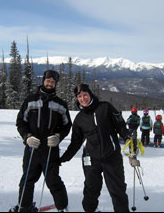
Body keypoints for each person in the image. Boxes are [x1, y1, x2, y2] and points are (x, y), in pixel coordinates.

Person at [59, 84, 131, 212]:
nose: (83, 98)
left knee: (117, 190)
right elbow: (76, 143)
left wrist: (128, 139)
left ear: (90, 94)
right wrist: (63, 158)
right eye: (79, 96)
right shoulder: (79, 119)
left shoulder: (105, 107)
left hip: (111, 157)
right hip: (91, 159)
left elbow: (120, 125)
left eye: (85, 95)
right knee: (90, 191)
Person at [10, 70, 72, 212]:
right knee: (27, 179)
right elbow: (21, 122)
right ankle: (24, 207)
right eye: (48, 81)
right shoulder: (30, 100)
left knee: (53, 180)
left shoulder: (60, 104)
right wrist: (27, 137)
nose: (50, 84)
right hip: (32, 147)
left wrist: (58, 137)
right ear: (43, 80)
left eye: (53, 82)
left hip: (50, 149)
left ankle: (62, 207)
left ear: (55, 84)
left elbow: (67, 125)